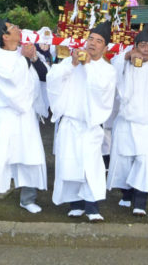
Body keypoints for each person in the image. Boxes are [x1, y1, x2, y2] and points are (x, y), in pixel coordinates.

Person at [0, 15, 48, 221]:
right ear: (5, 36)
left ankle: (28, 199)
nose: (18, 29)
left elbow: (44, 76)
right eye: (13, 27)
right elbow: (12, 85)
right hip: (7, 115)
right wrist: (25, 58)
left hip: (26, 116)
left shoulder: (23, 51)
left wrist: (33, 58)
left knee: (30, 156)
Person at [47, 21, 116, 222]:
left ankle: (92, 206)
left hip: (90, 125)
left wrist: (87, 66)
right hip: (70, 123)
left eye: (99, 41)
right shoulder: (72, 61)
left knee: (91, 166)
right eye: (91, 39)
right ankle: (75, 204)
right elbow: (53, 80)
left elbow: (101, 89)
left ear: (105, 47)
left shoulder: (106, 69)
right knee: (69, 164)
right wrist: (72, 63)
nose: (93, 44)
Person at [107, 27, 148, 216]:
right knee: (123, 161)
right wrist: (125, 57)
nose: (145, 49)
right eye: (142, 45)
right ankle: (127, 194)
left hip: (145, 123)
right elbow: (111, 73)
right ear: (135, 47)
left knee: (144, 160)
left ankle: (140, 201)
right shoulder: (123, 64)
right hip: (124, 122)